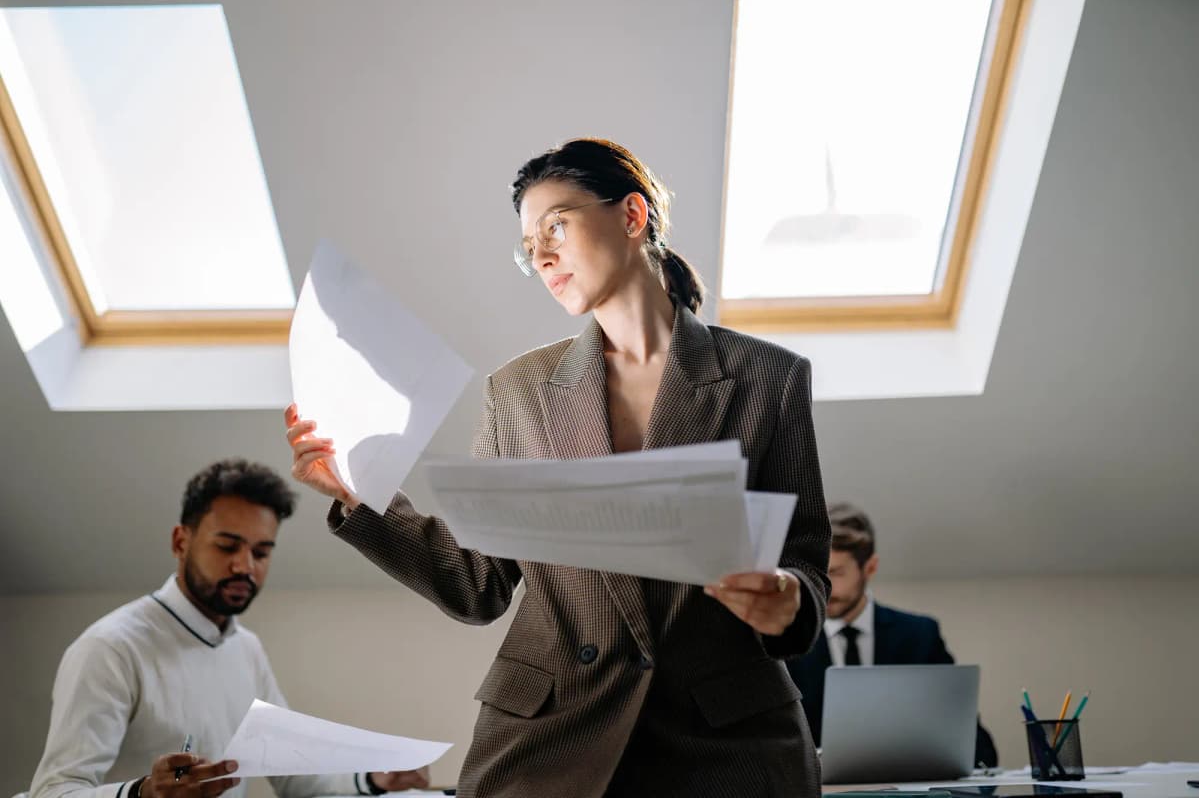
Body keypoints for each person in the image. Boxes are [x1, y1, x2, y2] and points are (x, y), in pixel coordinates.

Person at [285, 137, 833, 797]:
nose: (540, 255)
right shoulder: (518, 390)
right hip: (551, 738)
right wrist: (359, 498)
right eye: (528, 246)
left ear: (631, 216)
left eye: (556, 227)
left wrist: (785, 599)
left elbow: (805, 564)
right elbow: (478, 583)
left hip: (723, 741)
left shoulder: (768, 378)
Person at [28, 459, 429, 798]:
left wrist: (376, 780)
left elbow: (294, 775)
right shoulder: (110, 649)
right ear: (180, 541)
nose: (245, 566)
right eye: (227, 547)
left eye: (260, 552)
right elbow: (54, 790)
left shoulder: (246, 648)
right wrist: (143, 792)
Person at [785, 502, 999, 768]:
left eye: (836, 573)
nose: (823, 587)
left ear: (870, 568)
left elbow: (972, 743)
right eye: (815, 574)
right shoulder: (786, 641)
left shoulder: (919, 635)